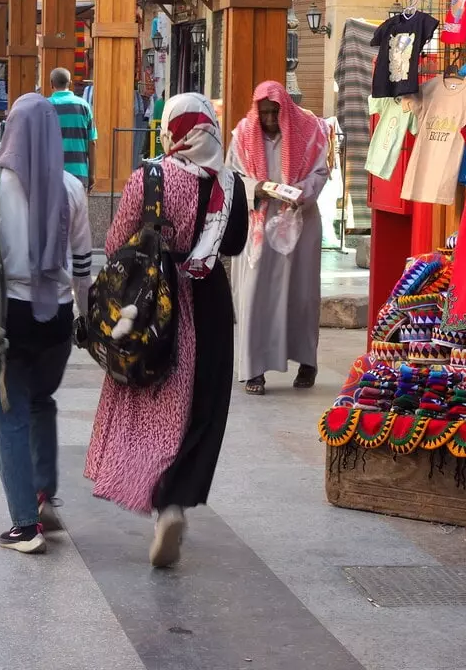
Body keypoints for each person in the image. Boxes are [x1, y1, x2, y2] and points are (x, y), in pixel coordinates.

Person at [85, 93, 248, 567]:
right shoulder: (231, 182)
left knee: (156, 403)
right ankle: (174, 502)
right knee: (201, 405)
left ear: (172, 130)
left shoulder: (149, 177)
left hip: (155, 306)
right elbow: (233, 244)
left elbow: (117, 243)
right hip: (210, 304)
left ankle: (156, 496)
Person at [0, 93, 92, 554]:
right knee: (41, 401)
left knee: (10, 416)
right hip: (56, 318)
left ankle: (24, 526)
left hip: (7, 315)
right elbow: (82, 264)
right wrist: (82, 317)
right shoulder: (71, 187)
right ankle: (43, 495)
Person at [228, 80, 330, 395]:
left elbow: (321, 172)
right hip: (258, 223)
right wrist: (254, 188)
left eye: (275, 113)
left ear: (285, 109)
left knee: (301, 295)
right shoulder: (243, 134)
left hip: (300, 221)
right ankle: (253, 370)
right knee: (254, 294)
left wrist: (303, 192)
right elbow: (232, 175)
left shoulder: (310, 129)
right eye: (265, 114)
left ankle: (306, 362)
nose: (270, 120)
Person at [47, 67, 97, 189]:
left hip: (51, 174)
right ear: (70, 83)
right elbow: (92, 142)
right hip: (79, 174)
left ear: (51, 84)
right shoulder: (84, 106)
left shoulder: (45, 106)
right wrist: (92, 175)